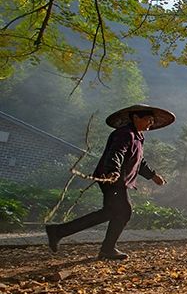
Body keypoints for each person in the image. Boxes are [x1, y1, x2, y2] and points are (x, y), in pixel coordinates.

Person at [45, 104, 175, 260]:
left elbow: (139, 161)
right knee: (124, 211)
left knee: (111, 212)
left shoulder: (138, 137)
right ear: (135, 118)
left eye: (152, 120)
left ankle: (59, 232)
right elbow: (116, 153)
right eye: (148, 119)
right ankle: (106, 248)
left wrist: (153, 176)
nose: (151, 123)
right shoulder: (124, 134)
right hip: (112, 178)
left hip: (119, 180)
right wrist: (113, 171)